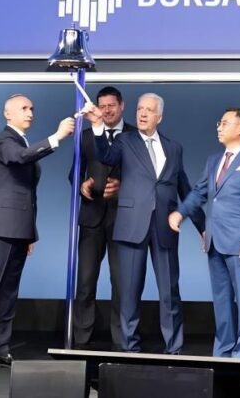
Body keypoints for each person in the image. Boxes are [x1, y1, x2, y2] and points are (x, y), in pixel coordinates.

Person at [82, 94, 204, 354]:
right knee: (128, 293)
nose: (143, 114)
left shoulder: (174, 148)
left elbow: (184, 188)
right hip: (131, 226)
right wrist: (97, 126)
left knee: (170, 292)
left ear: (160, 116)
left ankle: (174, 349)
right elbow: (105, 156)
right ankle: (129, 348)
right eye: (139, 109)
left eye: (149, 110)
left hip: (165, 228)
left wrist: (202, 227)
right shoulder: (124, 141)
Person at [0, 94, 75, 374]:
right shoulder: (4, 140)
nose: (30, 112)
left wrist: (29, 233)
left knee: (8, 293)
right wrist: (57, 137)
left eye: (32, 108)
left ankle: (0, 348)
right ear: (7, 114)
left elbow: (28, 195)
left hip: (19, 228)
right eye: (23, 108)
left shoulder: (22, 141)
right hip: (0, 226)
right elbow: (19, 158)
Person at [169, 108, 240, 358]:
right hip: (214, 241)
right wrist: (181, 213)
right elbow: (200, 192)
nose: (219, 127)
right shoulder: (214, 160)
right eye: (219, 123)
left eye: (225, 123)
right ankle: (223, 350)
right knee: (221, 300)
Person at [72, 86, 132, 348]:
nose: (107, 110)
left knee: (121, 284)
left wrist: (123, 185)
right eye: (102, 106)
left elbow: (144, 177)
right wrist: (81, 183)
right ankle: (81, 341)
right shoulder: (85, 137)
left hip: (123, 220)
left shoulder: (135, 136)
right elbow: (74, 172)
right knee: (85, 282)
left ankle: (122, 341)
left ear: (122, 106)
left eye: (111, 105)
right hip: (91, 217)